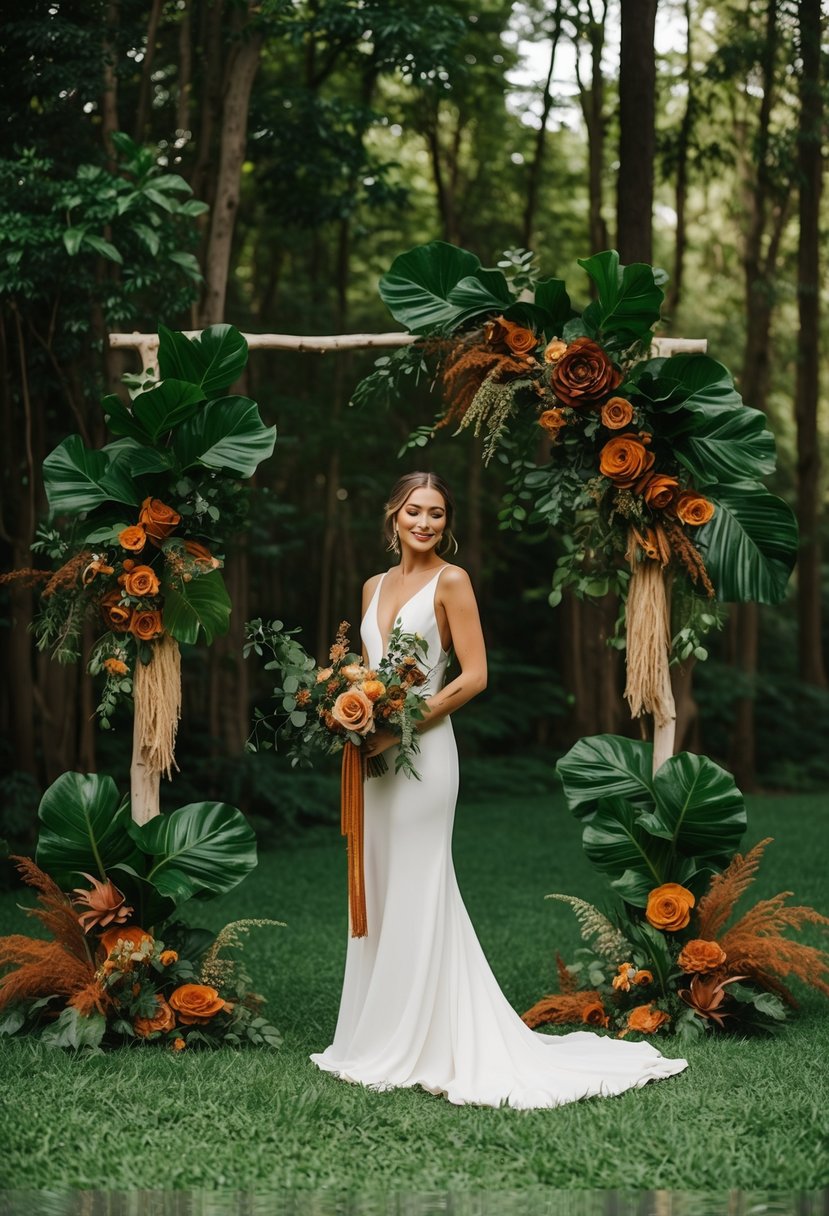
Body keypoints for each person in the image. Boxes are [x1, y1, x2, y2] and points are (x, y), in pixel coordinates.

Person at [310, 471, 687, 1108]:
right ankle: (372, 1034)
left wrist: (396, 726)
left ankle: (422, 1042)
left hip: (424, 756)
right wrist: (351, 713)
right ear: (392, 515)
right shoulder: (373, 586)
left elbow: (475, 675)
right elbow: (369, 672)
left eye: (436, 514)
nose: (424, 524)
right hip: (371, 759)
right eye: (413, 512)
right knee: (377, 883)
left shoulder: (451, 581)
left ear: (445, 523)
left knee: (420, 885)